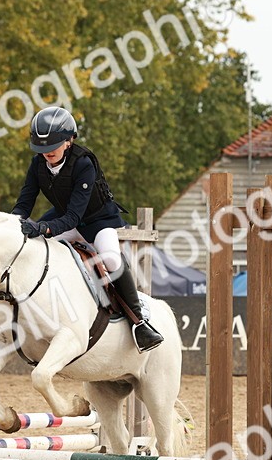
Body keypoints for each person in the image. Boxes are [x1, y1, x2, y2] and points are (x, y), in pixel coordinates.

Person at [11, 106, 163, 352]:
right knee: (32, 248)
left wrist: (43, 228)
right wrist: (12, 226)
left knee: (112, 260)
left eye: (53, 145)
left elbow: (74, 216)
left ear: (69, 141)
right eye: (41, 148)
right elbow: (24, 203)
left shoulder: (84, 163)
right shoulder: (37, 164)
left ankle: (139, 321)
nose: (46, 152)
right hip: (63, 217)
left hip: (97, 220)